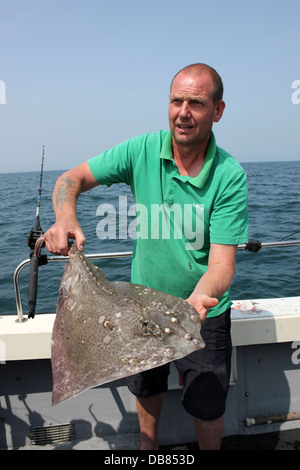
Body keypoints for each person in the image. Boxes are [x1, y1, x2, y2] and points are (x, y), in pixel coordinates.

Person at [44, 63, 248, 450]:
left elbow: (222, 264)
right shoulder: (141, 149)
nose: (183, 112)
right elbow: (70, 179)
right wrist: (65, 218)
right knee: (145, 385)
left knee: (207, 405)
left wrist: (198, 301)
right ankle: (147, 449)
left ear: (218, 111)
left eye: (197, 103)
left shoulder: (229, 175)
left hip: (201, 312)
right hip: (140, 309)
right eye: (176, 100)